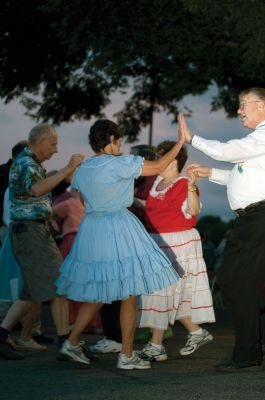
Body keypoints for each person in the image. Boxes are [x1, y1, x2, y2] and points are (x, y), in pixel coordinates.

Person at [56, 119, 184, 369]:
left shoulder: (83, 169)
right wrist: (180, 142)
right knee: (128, 293)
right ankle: (126, 355)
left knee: (97, 290)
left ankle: (71, 342)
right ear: (112, 139)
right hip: (118, 226)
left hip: (91, 228)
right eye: (120, 140)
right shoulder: (122, 163)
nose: (121, 145)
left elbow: (82, 200)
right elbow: (160, 165)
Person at [179, 87, 265, 372]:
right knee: (237, 282)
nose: (239, 111)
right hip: (251, 221)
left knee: (235, 281)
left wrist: (192, 138)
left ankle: (248, 353)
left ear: (262, 106)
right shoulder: (257, 142)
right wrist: (208, 173)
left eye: (244, 105)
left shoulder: (263, 136)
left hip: (258, 219)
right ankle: (249, 351)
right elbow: (240, 176)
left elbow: (228, 152)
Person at [0, 123, 84, 360]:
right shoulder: (27, 163)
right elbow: (36, 189)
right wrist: (67, 167)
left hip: (30, 231)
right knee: (60, 283)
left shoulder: (30, 164)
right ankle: (65, 344)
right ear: (41, 141)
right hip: (31, 232)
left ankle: (2, 335)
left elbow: (41, 190)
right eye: (54, 143)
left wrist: (67, 174)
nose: (56, 149)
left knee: (32, 291)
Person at [137, 143, 215, 361]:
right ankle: (196, 332)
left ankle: (156, 345)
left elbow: (192, 211)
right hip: (157, 242)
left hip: (179, 243)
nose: (156, 161)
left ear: (173, 160)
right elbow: (154, 210)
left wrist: (192, 186)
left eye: (161, 157)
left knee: (164, 292)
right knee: (164, 294)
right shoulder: (156, 184)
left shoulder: (183, 184)